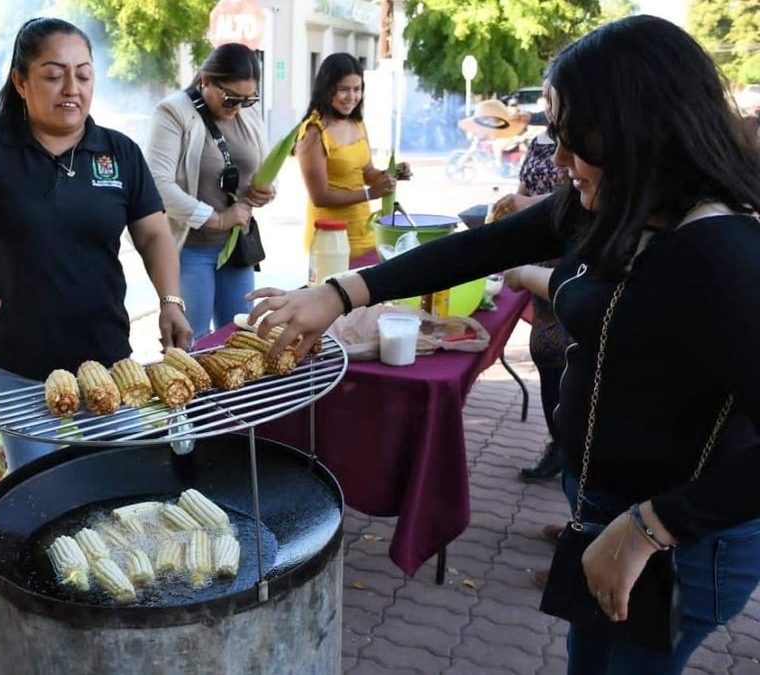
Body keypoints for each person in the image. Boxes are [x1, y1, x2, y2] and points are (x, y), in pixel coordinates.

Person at [249, 16, 760, 675]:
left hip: (679, 540)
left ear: (641, 132)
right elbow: (486, 246)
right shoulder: (617, 206)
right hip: (602, 507)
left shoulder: (726, 254)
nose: (563, 158)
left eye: (579, 137)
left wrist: (651, 527)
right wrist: (344, 292)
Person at [0, 17, 192, 469]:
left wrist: (171, 300)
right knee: (35, 487)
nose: (71, 87)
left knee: (116, 474)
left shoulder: (119, 152)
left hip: (103, 354)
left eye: (83, 74)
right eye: (53, 74)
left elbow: (153, 232)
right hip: (14, 359)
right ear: (21, 82)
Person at [145, 43, 275, 340]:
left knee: (240, 335)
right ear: (205, 80)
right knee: (194, 339)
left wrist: (265, 191)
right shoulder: (173, 112)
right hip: (190, 247)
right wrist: (216, 218)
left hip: (236, 246)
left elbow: (262, 167)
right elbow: (158, 184)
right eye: (230, 98)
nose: (238, 107)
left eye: (248, 99)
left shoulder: (247, 114)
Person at [491, 83, 570, 483]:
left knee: (565, 357)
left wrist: (525, 207)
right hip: (540, 258)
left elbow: (570, 198)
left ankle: (568, 449)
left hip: (567, 259)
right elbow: (527, 189)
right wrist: (513, 204)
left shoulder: (588, 141)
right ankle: (561, 445)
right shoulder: (541, 140)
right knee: (544, 351)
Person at [296, 53, 410, 259]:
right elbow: (319, 197)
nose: (352, 97)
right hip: (330, 241)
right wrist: (370, 194)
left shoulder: (357, 124)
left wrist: (391, 174)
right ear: (327, 89)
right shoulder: (314, 131)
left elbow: (367, 172)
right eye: (344, 89)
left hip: (365, 236)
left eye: (357, 89)